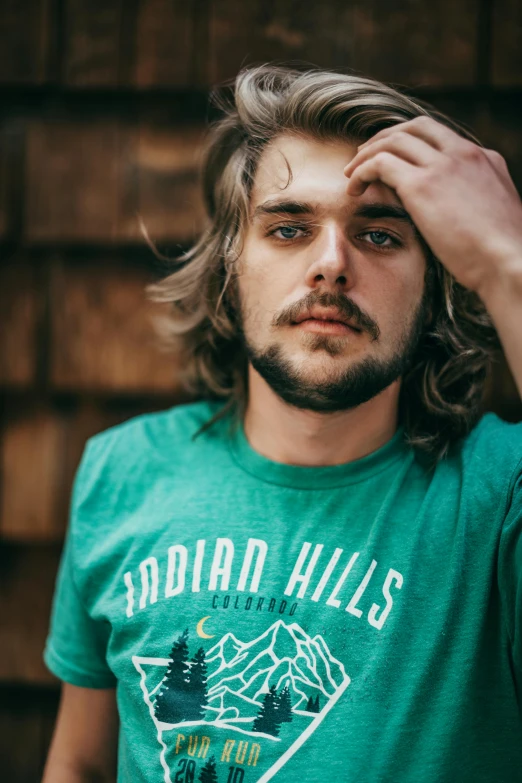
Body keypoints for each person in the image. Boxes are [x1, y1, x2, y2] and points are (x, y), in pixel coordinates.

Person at [42, 64, 522, 783]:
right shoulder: (122, 470)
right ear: (230, 274)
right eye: (290, 228)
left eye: (381, 236)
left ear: (436, 289)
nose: (331, 264)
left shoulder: (496, 495)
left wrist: (508, 262)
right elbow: (79, 762)